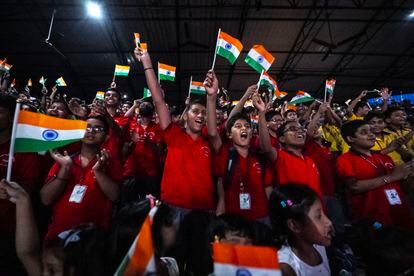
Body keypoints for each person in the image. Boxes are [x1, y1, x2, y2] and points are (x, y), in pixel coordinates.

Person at [133, 46, 217, 218]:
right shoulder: (173, 134)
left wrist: (211, 97)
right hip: (172, 209)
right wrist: (147, 63)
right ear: (185, 117)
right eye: (195, 111)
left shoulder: (210, 140)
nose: (200, 115)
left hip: (204, 211)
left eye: (203, 113)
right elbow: (157, 98)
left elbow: (214, 131)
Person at [40, 116, 122, 240]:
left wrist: (98, 172)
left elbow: (116, 196)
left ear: (106, 137)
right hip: (58, 233)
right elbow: (46, 199)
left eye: (98, 128)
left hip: (92, 238)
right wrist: (65, 168)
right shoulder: (64, 161)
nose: (91, 131)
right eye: (87, 127)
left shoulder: (110, 162)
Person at [336, 120, 414, 230]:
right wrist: (392, 177)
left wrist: (408, 175)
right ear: (350, 139)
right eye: (364, 132)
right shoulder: (345, 159)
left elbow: (404, 188)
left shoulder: (384, 157)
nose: (371, 134)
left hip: (401, 212)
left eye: (371, 131)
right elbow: (354, 187)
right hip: (375, 220)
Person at [254, 95, 322, 198]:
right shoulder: (281, 157)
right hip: (291, 210)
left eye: (300, 129)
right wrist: (262, 112)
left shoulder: (310, 160)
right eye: (293, 129)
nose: (299, 131)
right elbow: (266, 148)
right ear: (281, 139)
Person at [269, 184, 333, 276]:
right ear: (295, 226)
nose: (328, 222)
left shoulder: (318, 245)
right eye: (319, 216)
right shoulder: (285, 268)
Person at [123, 100, 163, 200]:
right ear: (139, 113)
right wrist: (132, 142)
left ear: (152, 114)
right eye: (142, 114)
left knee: (151, 202)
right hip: (133, 170)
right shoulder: (133, 126)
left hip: (151, 171)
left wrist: (149, 142)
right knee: (132, 200)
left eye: (147, 115)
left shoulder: (157, 128)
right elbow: (124, 118)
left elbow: (159, 151)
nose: (145, 118)